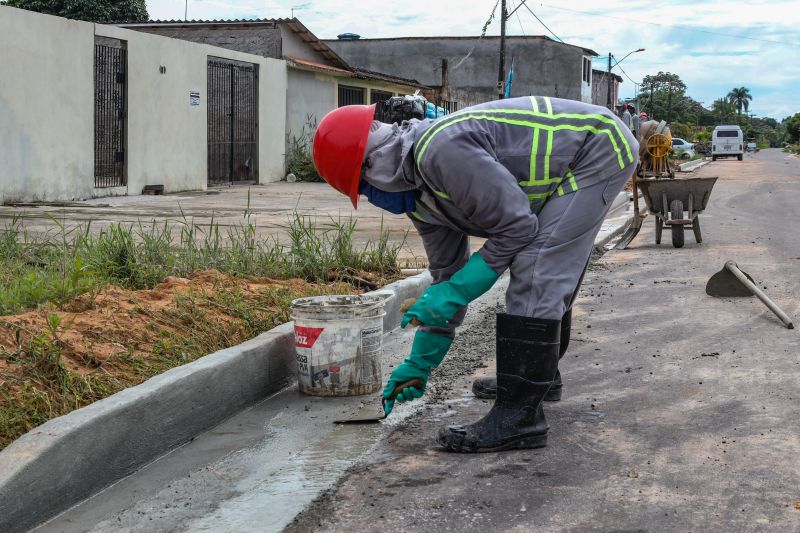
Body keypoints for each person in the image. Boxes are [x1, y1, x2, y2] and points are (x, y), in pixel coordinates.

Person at [313, 96, 639, 453]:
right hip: (578, 155)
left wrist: (457, 291)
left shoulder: (440, 151)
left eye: (364, 187)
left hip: (597, 146)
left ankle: (520, 417)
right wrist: (420, 362)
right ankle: (537, 379)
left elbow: (517, 228)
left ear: (373, 162)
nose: (372, 198)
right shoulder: (421, 197)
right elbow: (447, 274)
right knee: (544, 263)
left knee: (538, 265)